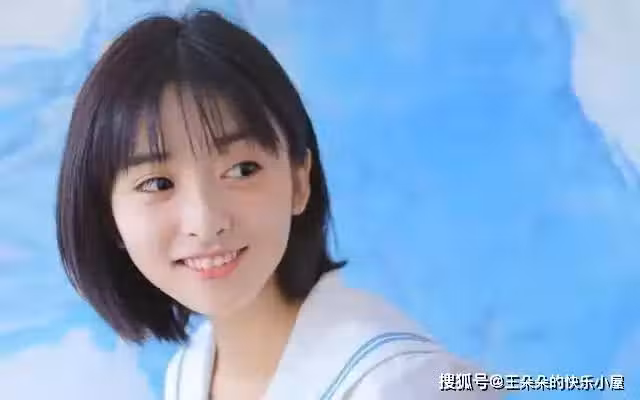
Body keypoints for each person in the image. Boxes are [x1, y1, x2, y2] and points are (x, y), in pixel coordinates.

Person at [56, 9, 501, 400]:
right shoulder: (189, 373)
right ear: (108, 217)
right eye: (158, 183)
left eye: (242, 170)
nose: (205, 221)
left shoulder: (398, 383)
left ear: (299, 181)